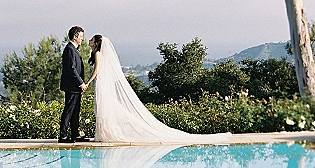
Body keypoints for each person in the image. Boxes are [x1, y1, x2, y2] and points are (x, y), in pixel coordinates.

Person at [86, 34, 232, 144]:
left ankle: (103, 134)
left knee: (103, 109)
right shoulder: (99, 54)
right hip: (103, 85)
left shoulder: (98, 53)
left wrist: (88, 82)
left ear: (97, 43)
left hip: (102, 85)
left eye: (92, 39)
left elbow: (97, 70)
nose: (89, 41)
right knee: (104, 109)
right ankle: (102, 134)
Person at [59, 25, 89, 143]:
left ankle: (75, 134)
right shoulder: (70, 49)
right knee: (69, 110)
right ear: (75, 36)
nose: (82, 39)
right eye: (81, 36)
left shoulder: (73, 49)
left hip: (75, 87)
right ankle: (63, 135)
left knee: (75, 110)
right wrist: (81, 83)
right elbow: (72, 69)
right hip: (72, 86)